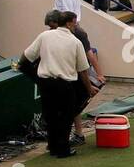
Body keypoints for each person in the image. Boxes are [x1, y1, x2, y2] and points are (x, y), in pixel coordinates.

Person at [25, 10, 93, 157]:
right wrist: (89, 89)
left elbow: (26, 58)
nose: (76, 26)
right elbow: (83, 71)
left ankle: (53, 146)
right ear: (68, 23)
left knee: (50, 115)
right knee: (66, 116)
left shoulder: (45, 36)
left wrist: (36, 77)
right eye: (74, 23)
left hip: (46, 82)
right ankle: (63, 149)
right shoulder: (75, 42)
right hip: (65, 84)